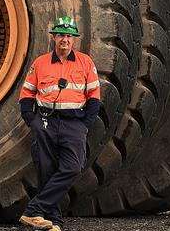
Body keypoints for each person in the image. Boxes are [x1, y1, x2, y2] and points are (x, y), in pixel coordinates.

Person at [18, 16, 101, 231]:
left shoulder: (85, 62)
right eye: (61, 35)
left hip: (74, 123)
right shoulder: (41, 62)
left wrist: (85, 124)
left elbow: (94, 96)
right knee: (45, 170)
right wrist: (32, 120)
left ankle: (33, 211)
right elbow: (27, 93)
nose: (64, 40)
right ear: (54, 37)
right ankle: (52, 222)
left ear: (74, 40)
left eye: (69, 36)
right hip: (45, 121)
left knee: (73, 167)